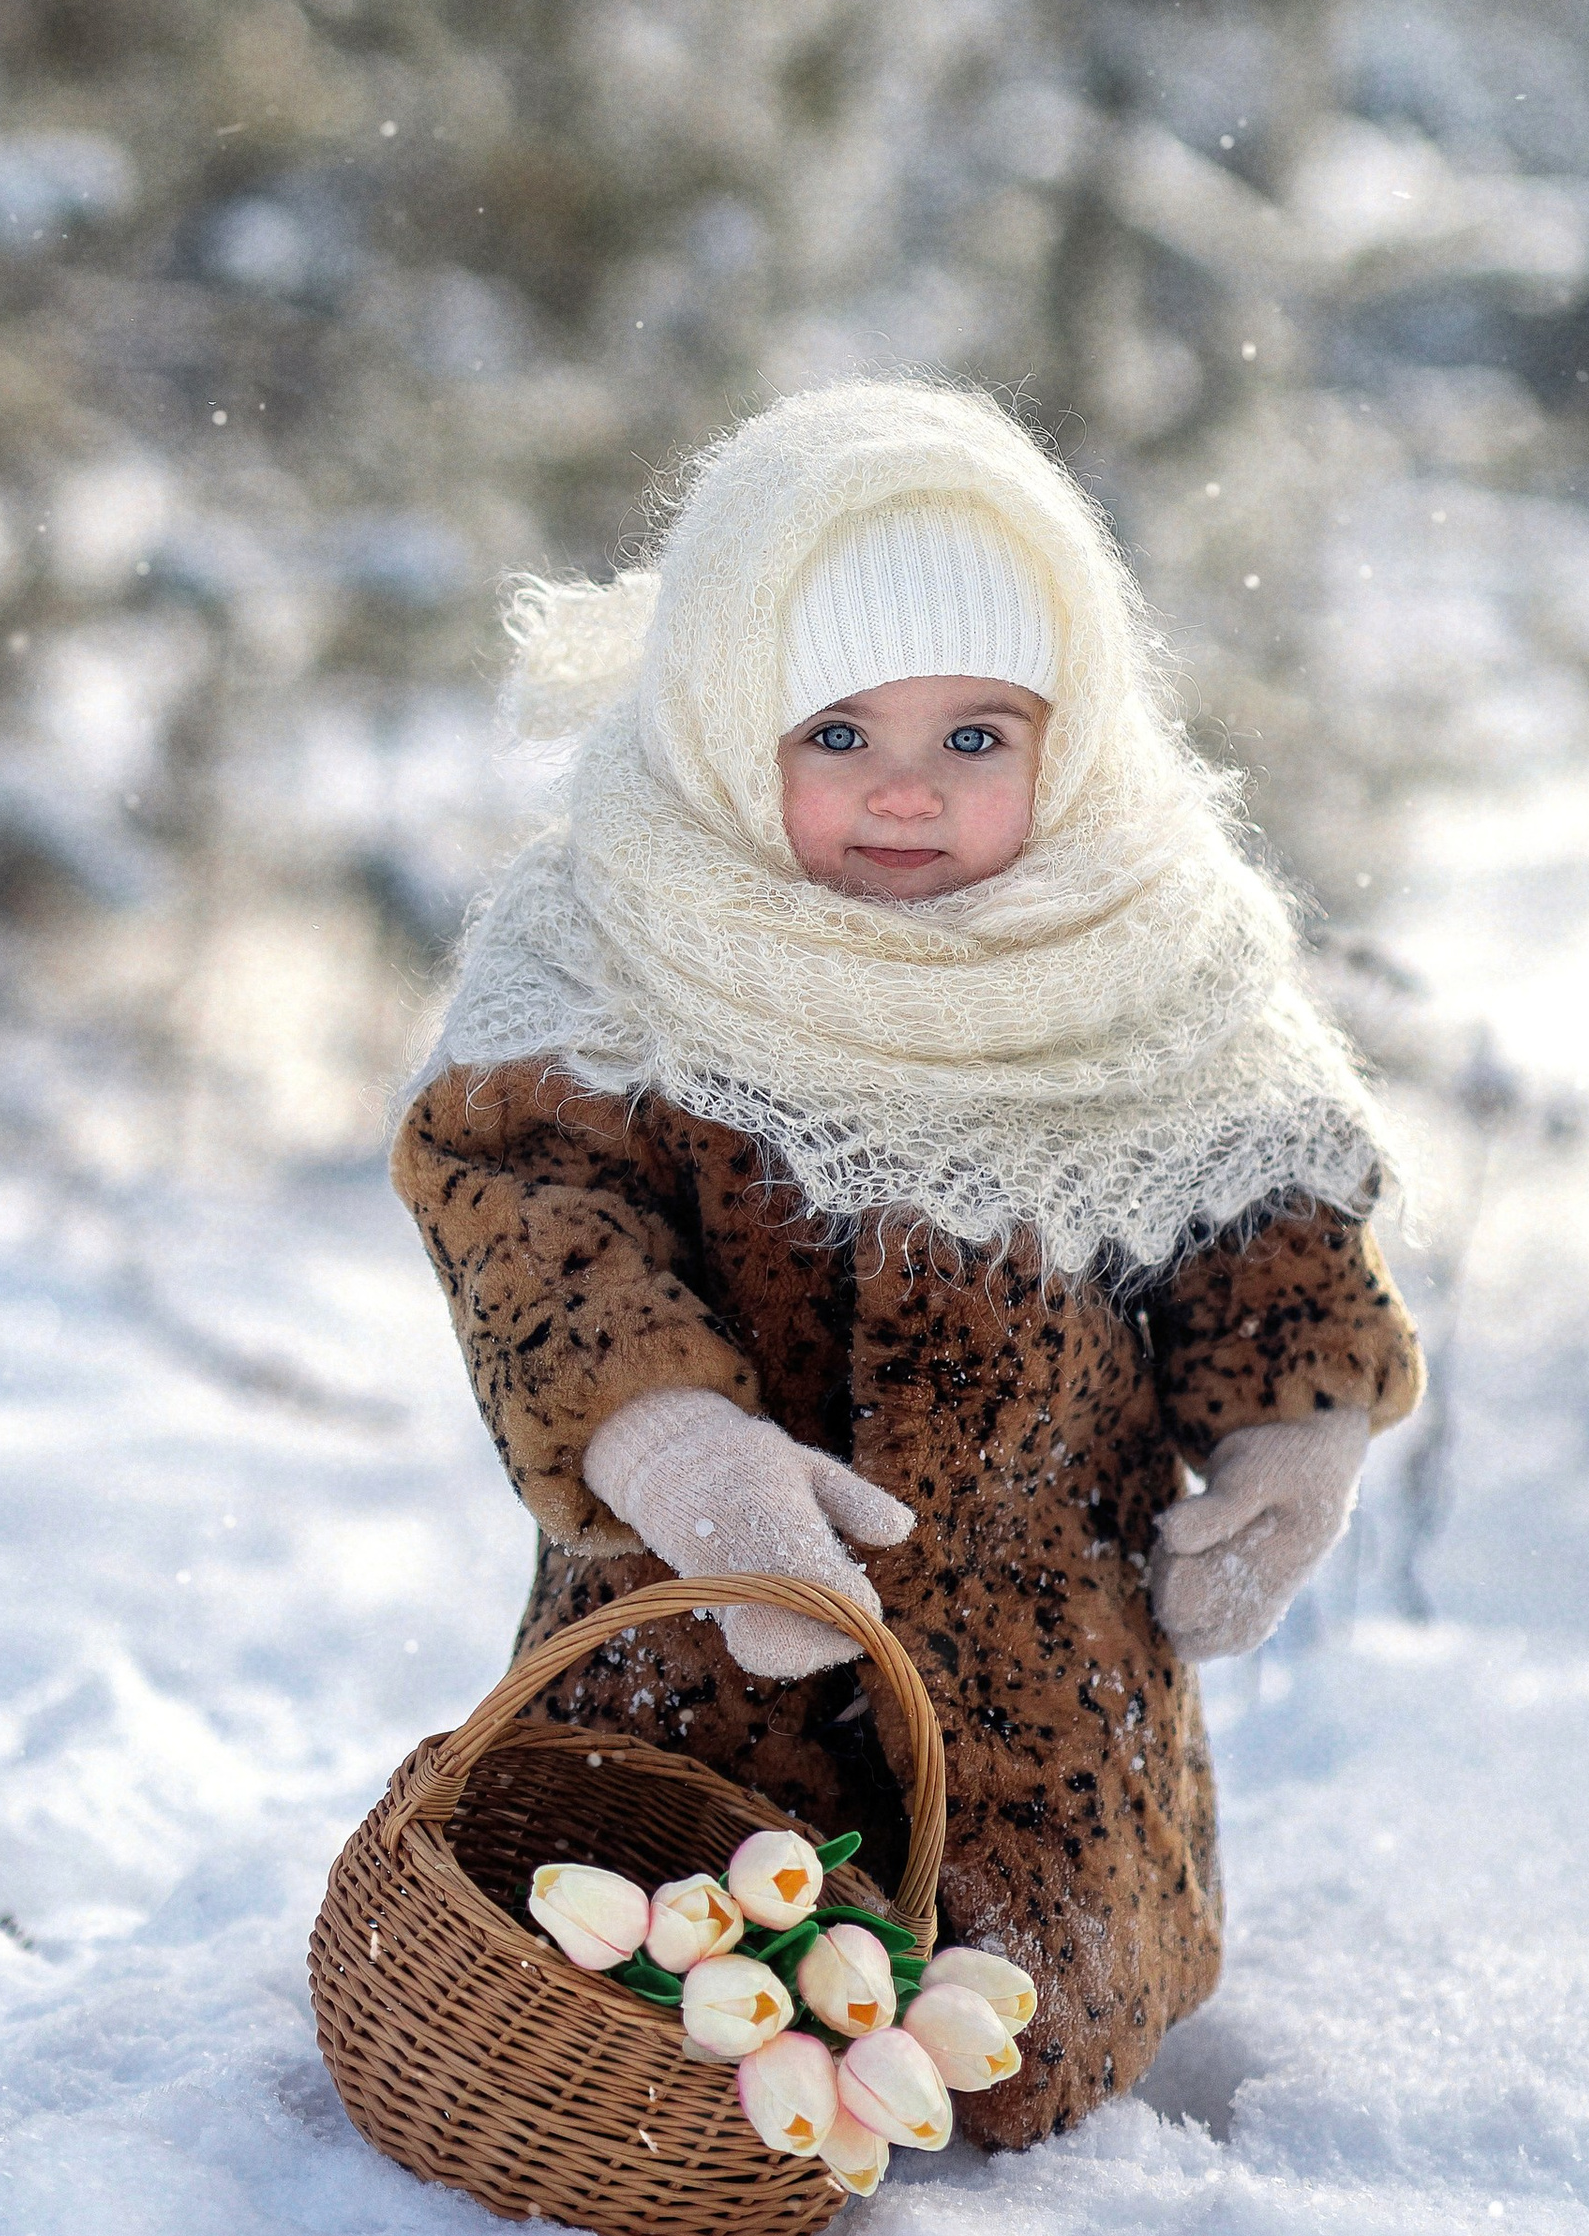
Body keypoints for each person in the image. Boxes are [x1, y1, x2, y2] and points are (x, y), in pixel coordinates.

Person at [391, 380, 1423, 2147]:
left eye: (975, 735)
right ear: (727, 725)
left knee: (1020, 2034)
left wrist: (1293, 1437)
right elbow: (532, 1215)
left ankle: (995, 2025)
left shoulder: (1149, 962)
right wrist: (674, 1448)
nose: (905, 792)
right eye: (836, 732)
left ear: (1068, 739)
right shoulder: (613, 946)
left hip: (1051, 1688)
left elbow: (1266, 1220)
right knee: (662, 2014)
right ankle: (684, 2072)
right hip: (688, 1675)